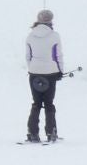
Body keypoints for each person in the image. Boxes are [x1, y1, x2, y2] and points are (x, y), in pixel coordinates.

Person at [23, 10, 63, 143]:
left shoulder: (30, 36)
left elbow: (28, 57)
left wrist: (33, 68)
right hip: (50, 73)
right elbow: (58, 55)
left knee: (36, 103)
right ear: (51, 21)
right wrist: (60, 71)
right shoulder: (55, 36)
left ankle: (32, 132)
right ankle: (51, 132)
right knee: (49, 103)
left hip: (34, 73)